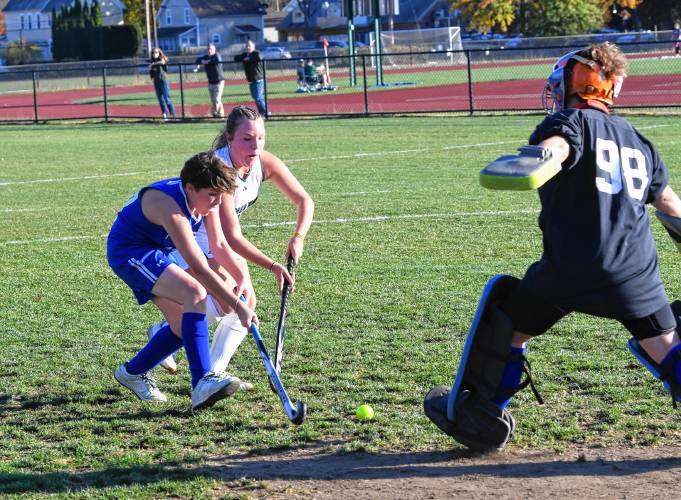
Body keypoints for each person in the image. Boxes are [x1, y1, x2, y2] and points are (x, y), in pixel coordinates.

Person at [426, 42, 681, 451]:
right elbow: (670, 205)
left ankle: (483, 417)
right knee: (668, 349)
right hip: (635, 273)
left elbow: (561, 146)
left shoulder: (570, 122)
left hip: (570, 268)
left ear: (581, 83)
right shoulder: (640, 141)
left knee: (507, 324)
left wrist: (540, 157)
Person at [149, 105, 314, 386]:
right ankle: (165, 331)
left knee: (244, 298)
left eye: (260, 138)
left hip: (217, 242)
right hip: (189, 239)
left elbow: (304, 201)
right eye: (247, 139)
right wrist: (273, 266)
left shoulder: (264, 162)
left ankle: (214, 373)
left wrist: (298, 236)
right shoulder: (221, 171)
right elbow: (231, 237)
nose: (256, 145)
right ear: (229, 138)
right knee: (230, 298)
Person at [107, 152, 258, 410]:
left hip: (158, 250)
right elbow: (199, 267)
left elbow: (219, 244)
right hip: (129, 251)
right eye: (212, 195)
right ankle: (202, 382)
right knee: (196, 292)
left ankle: (132, 373)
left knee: (180, 325)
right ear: (190, 188)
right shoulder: (171, 207)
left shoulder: (207, 199)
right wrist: (239, 304)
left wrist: (242, 276)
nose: (218, 201)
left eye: (221, 195)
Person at [237, 40, 267, 116]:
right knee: (256, 98)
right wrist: (244, 58)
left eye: (249, 45)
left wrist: (249, 58)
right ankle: (263, 113)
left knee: (258, 98)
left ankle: (265, 113)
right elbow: (236, 58)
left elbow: (259, 56)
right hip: (251, 81)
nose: (248, 47)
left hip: (258, 80)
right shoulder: (245, 55)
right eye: (247, 46)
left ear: (253, 46)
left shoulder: (256, 53)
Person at [194, 43, 225, 118]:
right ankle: (221, 115)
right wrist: (202, 61)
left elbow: (217, 60)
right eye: (208, 49)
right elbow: (197, 60)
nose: (209, 50)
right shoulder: (206, 57)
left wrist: (207, 61)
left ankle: (214, 114)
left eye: (211, 49)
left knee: (216, 100)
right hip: (211, 82)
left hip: (219, 82)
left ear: (214, 50)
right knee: (214, 100)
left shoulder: (217, 55)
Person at [149, 47, 176, 120]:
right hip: (156, 82)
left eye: (156, 52)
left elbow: (163, 62)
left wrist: (153, 64)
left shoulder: (162, 58)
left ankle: (174, 115)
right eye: (153, 52)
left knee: (167, 99)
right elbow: (151, 71)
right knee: (160, 100)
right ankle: (165, 114)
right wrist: (151, 66)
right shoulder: (152, 62)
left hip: (163, 81)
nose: (154, 54)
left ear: (159, 53)